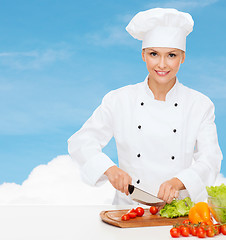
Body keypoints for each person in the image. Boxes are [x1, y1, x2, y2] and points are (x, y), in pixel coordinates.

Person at [68, 8, 222, 205]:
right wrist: (110, 169)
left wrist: (179, 182)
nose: (162, 64)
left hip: (176, 211)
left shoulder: (200, 105)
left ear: (183, 57)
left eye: (172, 55)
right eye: (154, 54)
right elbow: (81, 141)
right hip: (128, 209)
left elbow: (211, 159)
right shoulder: (119, 100)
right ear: (143, 55)